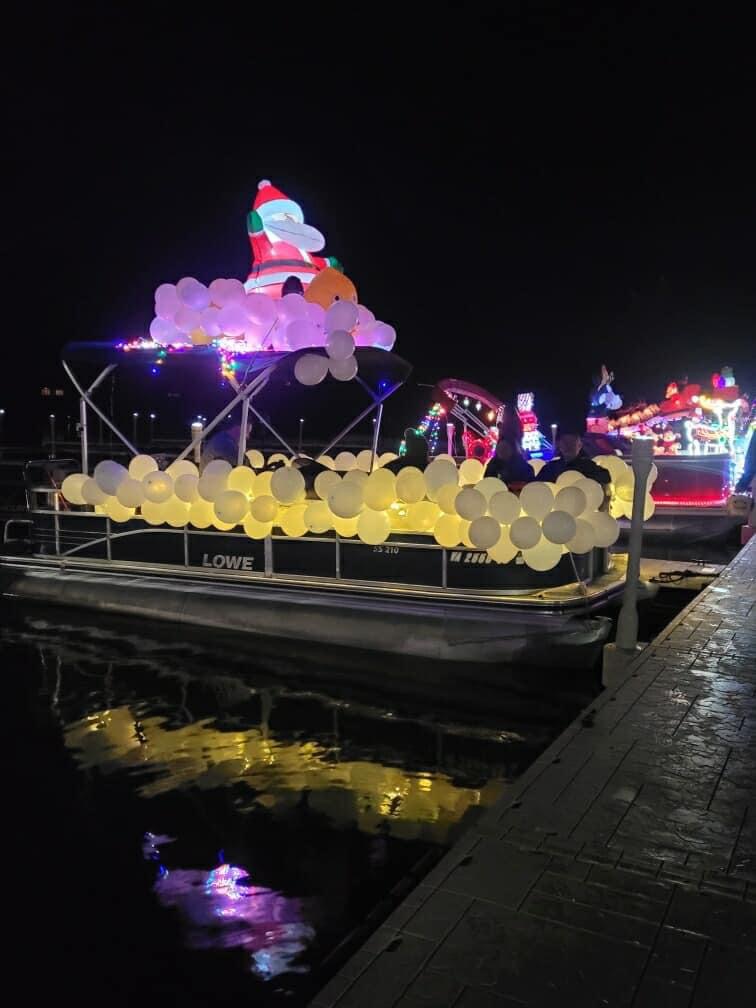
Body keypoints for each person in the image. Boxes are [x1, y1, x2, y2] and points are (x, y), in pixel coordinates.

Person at [536, 431, 611, 485]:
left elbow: (606, 477)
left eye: (572, 442)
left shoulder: (588, 466)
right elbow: (535, 485)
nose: (568, 446)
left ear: (579, 446)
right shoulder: (550, 468)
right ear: (560, 446)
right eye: (565, 442)